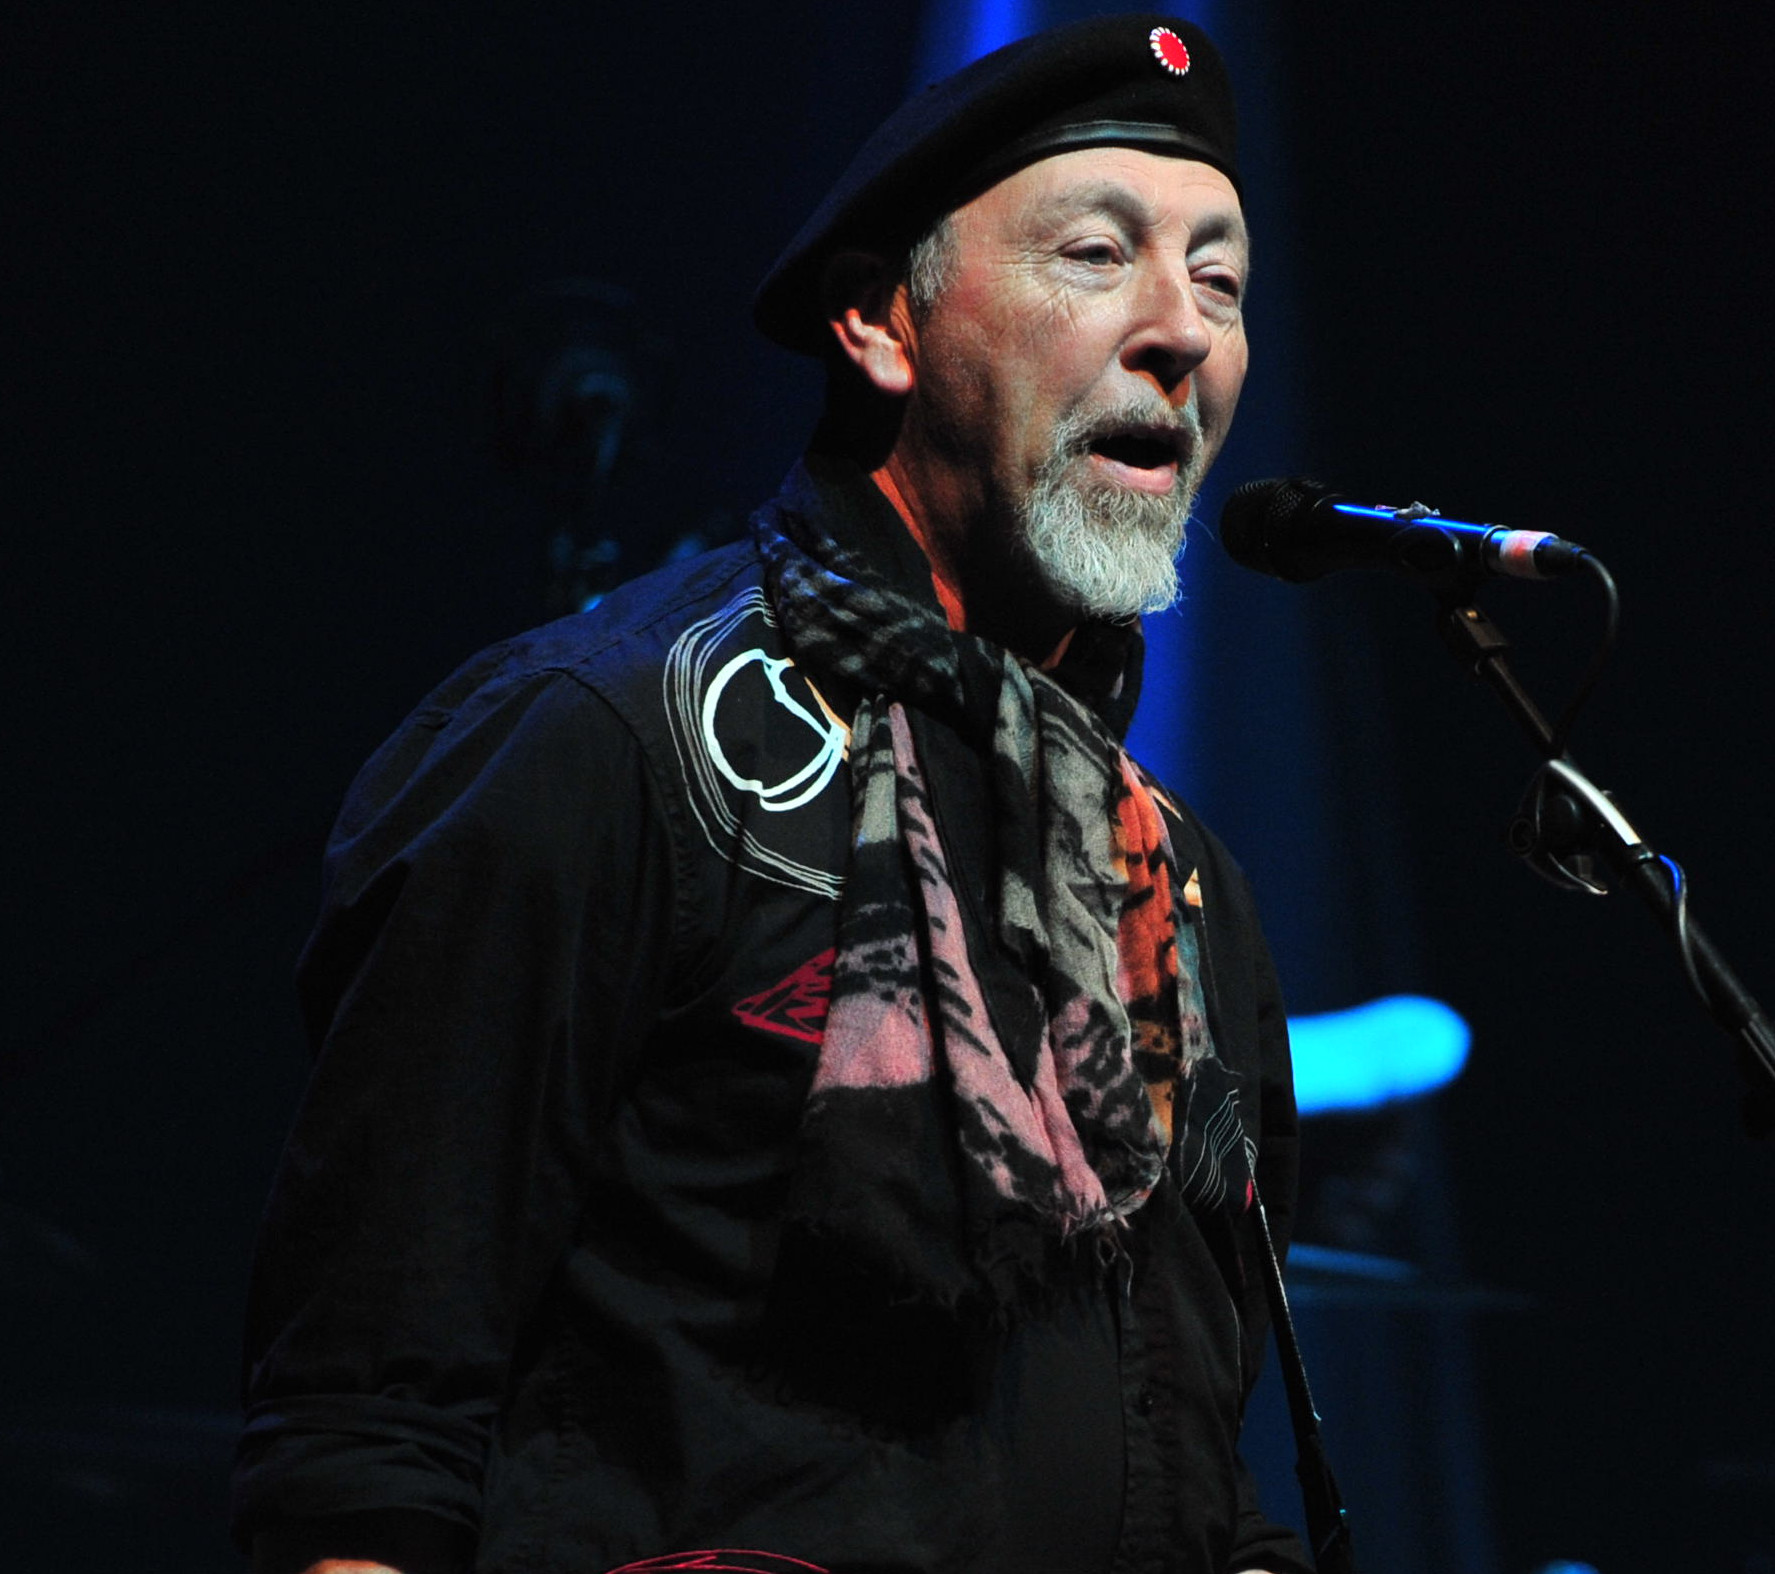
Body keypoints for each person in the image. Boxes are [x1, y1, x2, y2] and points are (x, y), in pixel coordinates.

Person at [233, 17, 1309, 1574]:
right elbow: (363, 1440)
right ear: (876, 321)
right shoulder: (600, 743)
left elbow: (1189, 1448)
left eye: (1219, 281)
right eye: (1096, 254)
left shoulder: (1172, 878)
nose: (1180, 331)